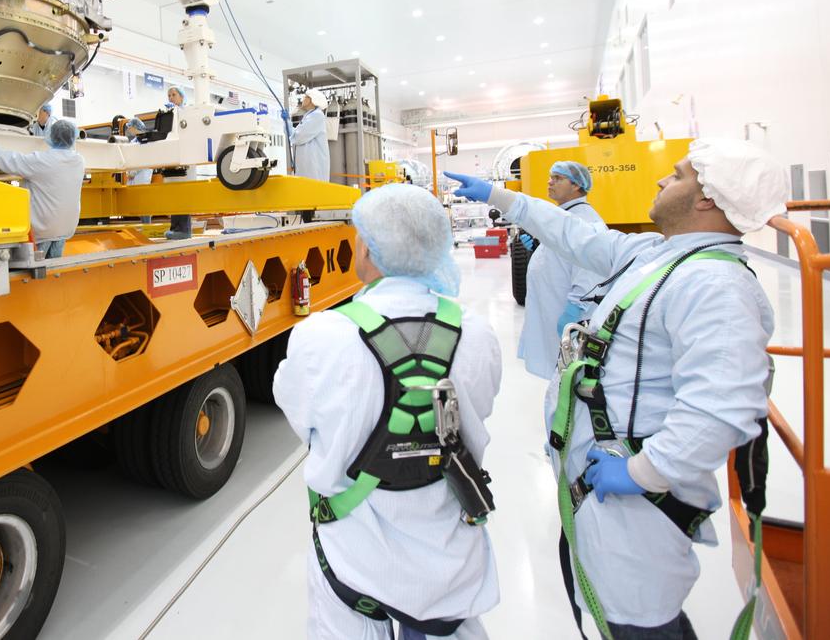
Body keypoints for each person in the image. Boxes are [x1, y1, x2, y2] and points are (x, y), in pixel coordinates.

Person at [445, 138, 787, 639]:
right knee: (610, 611)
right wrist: (500, 196)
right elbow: (573, 235)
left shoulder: (714, 286)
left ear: (707, 197)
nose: (661, 180)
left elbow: (721, 408)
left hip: (635, 512)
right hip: (599, 491)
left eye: (677, 175)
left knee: (638, 624)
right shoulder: (659, 255)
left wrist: (644, 472)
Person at [274, 184, 502, 640]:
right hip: (447, 563)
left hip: (352, 555)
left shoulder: (321, 335)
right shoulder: (476, 333)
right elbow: (481, 408)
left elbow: (301, 417)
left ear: (369, 250)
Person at [516, 161, 607, 378]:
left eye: (557, 178)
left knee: (572, 376)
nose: (550, 182)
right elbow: (565, 257)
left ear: (577, 185)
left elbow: (590, 276)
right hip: (552, 307)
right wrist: (540, 248)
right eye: (550, 177)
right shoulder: (565, 217)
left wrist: (573, 312)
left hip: (571, 316)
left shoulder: (587, 224)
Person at [0, 119, 85, 259]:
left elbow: (9, 161)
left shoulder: (41, 161)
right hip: (65, 228)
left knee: (37, 270)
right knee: (54, 271)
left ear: (51, 136)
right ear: (72, 138)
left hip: (43, 230)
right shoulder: (79, 161)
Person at [162, 86, 192, 240]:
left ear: (181, 97)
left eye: (173, 95)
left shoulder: (186, 114)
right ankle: (175, 228)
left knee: (183, 195)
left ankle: (184, 230)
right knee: (173, 195)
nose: (171, 98)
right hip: (173, 159)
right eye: (169, 95)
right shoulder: (170, 115)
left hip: (185, 160)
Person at [289, 88, 330, 182]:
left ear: (312, 100)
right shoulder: (310, 116)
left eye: (306, 96)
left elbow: (298, 137)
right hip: (308, 168)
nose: (303, 98)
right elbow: (296, 135)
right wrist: (286, 123)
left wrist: (288, 124)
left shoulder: (317, 116)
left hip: (313, 169)